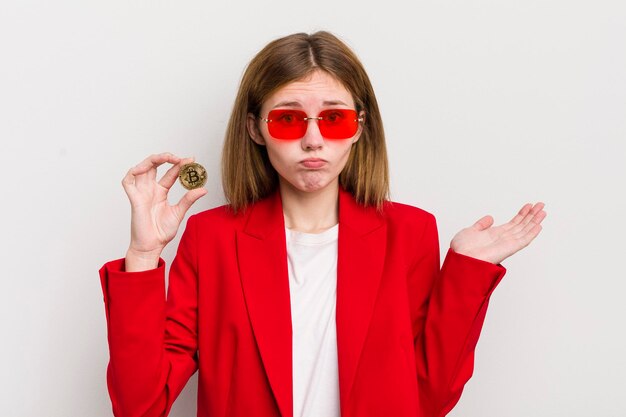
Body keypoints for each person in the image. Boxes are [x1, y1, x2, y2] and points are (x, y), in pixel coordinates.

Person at [99, 31, 546, 417]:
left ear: (359, 127)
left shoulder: (409, 234)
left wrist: (465, 271)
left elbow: (429, 398)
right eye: (289, 118)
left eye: (334, 118)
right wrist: (142, 255)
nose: (313, 139)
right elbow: (140, 404)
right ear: (256, 129)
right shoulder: (212, 237)